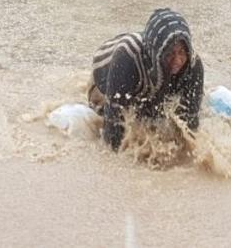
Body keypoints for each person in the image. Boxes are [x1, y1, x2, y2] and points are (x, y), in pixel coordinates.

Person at [87, 8, 205, 151]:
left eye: (181, 52)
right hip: (105, 82)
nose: (177, 60)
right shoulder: (127, 58)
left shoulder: (193, 65)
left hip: (152, 80)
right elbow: (113, 126)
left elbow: (190, 123)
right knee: (106, 118)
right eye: (170, 53)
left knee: (160, 122)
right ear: (158, 51)